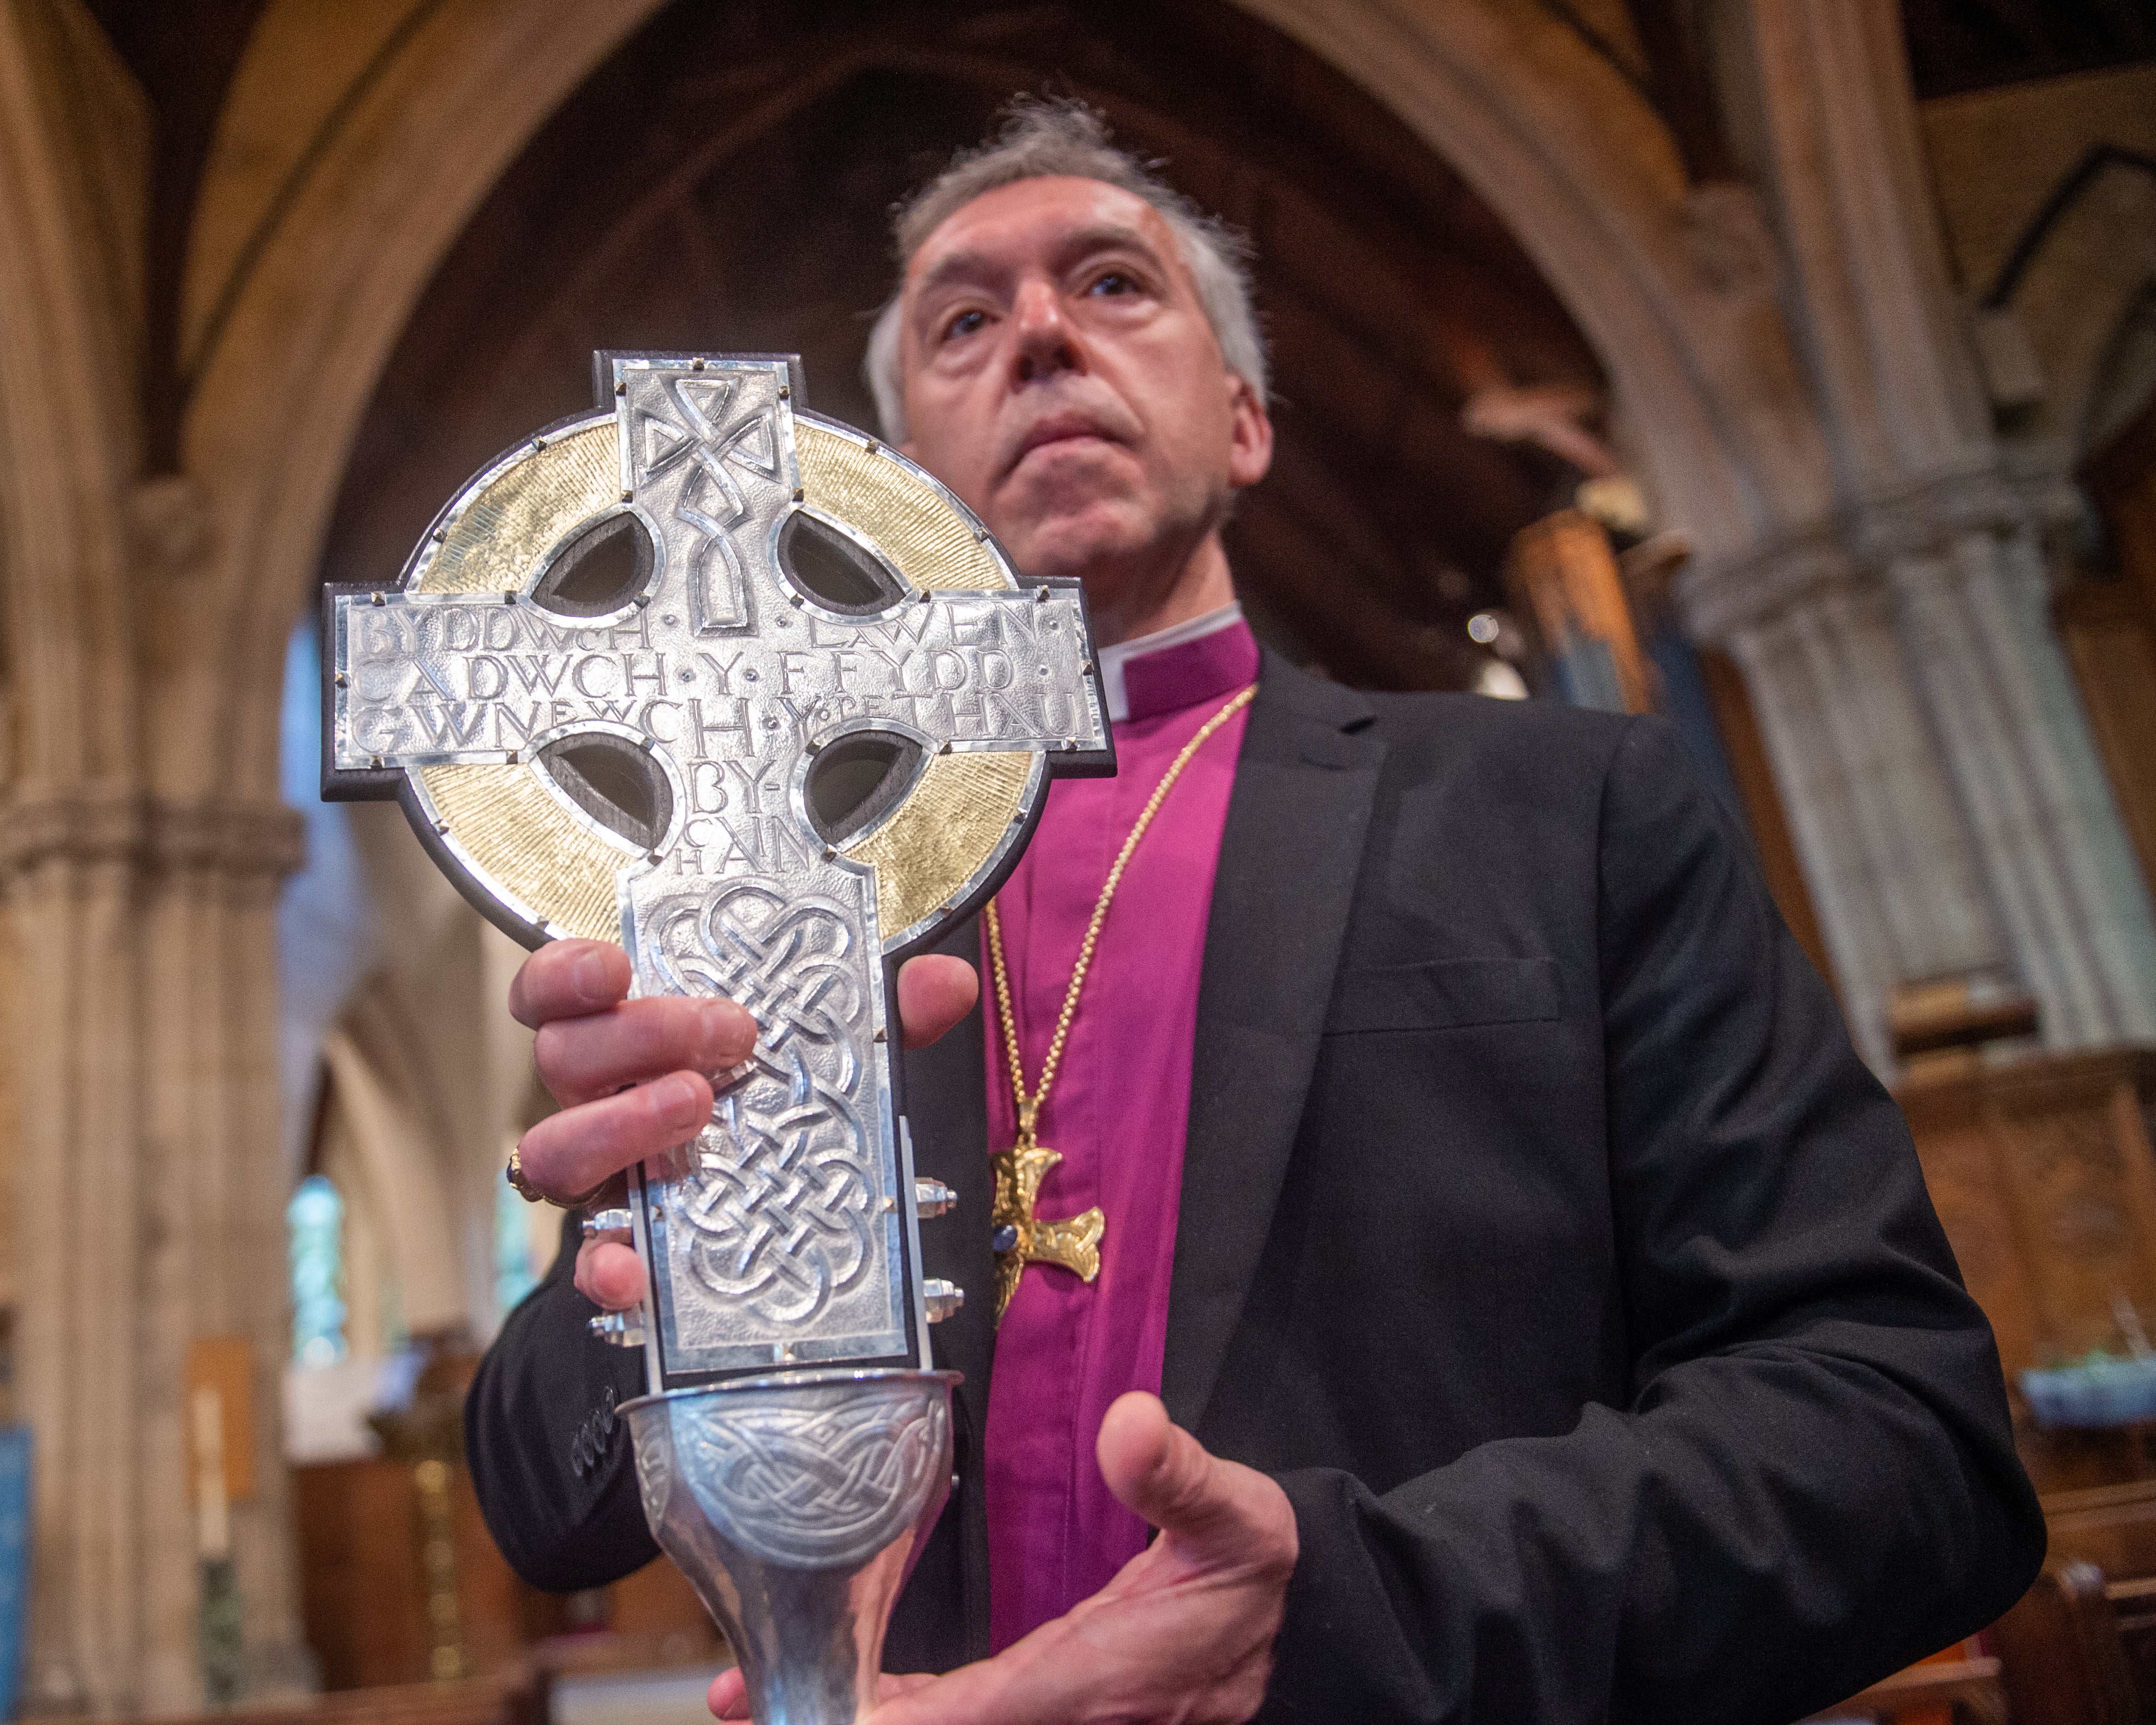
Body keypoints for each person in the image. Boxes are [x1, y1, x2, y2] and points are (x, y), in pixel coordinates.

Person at [466, 101, 2043, 1722]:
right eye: (960, 320)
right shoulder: (813, 929)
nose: (1038, 337)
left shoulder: (1563, 812)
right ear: (900, 489)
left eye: (1113, 285)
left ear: (1242, 419)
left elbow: (1905, 1444)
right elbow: (545, 1502)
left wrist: (1357, 1616)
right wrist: (653, 1201)